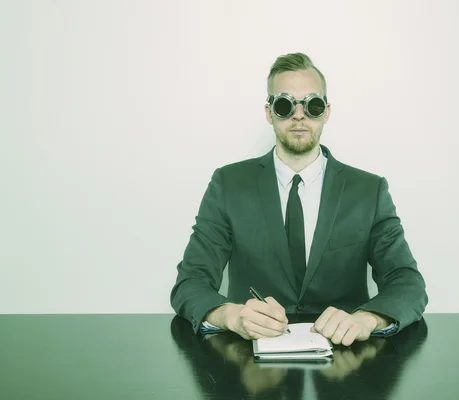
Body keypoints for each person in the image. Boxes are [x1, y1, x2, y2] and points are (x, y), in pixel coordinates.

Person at [170, 52, 428, 346]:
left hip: (347, 360)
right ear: (269, 112)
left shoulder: (368, 190)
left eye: (312, 105)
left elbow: (407, 282)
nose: (299, 114)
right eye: (284, 104)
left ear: (327, 111)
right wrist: (230, 315)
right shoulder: (229, 184)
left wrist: (366, 320)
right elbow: (190, 281)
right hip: (249, 363)